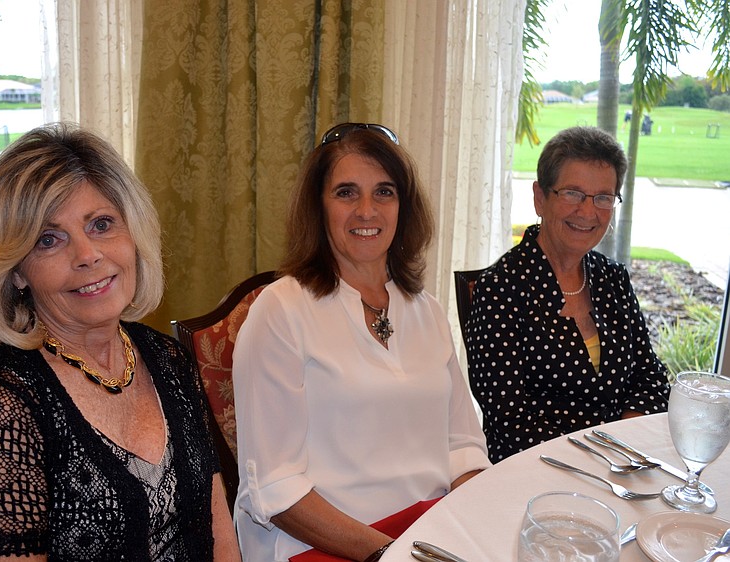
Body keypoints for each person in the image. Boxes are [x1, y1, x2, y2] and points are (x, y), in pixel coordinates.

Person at [0, 123, 240, 561]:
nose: (87, 255)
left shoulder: (167, 359)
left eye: (101, 225)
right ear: (17, 272)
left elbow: (219, 534)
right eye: (48, 239)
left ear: (133, 233)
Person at [232, 123, 491, 561]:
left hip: (426, 534)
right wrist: (390, 553)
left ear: (403, 208)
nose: (367, 211)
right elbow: (275, 488)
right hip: (321, 545)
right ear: (319, 208)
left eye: (384, 192)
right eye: (346, 193)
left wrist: (463, 532)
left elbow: (463, 447)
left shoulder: (427, 311)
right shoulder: (281, 311)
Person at [467, 126, 669, 463]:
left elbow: (649, 377)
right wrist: (604, 458)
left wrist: (624, 447)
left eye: (603, 197)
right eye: (573, 193)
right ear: (539, 198)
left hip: (622, 466)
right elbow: (511, 420)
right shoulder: (500, 290)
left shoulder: (613, 279)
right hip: (537, 474)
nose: (588, 212)